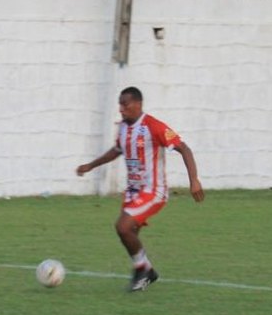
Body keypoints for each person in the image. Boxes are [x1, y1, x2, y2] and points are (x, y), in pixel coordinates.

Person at [76, 87, 204, 291]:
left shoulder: (154, 127)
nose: (121, 109)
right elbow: (116, 150)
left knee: (123, 227)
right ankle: (146, 270)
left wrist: (194, 180)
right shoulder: (124, 128)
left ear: (138, 104)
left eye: (125, 104)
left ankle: (142, 270)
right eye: (120, 104)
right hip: (133, 191)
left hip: (153, 191)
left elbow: (183, 148)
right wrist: (91, 165)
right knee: (128, 232)